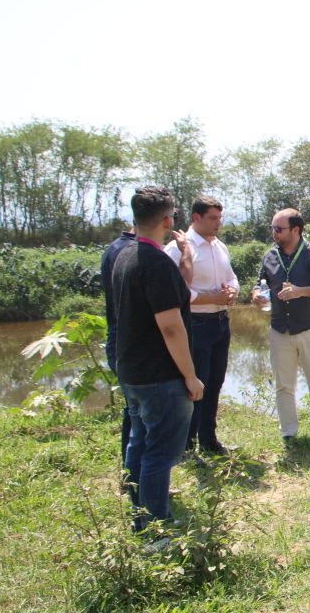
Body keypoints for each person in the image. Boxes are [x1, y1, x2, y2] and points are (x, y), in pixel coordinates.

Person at [112, 186, 204, 534]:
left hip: (132, 372)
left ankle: (139, 516)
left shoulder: (125, 255)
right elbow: (170, 327)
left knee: (138, 443)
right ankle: (156, 530)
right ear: (168, 220)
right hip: (160, 377)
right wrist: (191, 376)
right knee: (160, 454)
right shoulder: (154, 262)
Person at [251, 208, 310, 446]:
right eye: (272, 228)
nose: (274, 233)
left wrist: (300, 291)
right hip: (280, 329)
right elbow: (260, 284)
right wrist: (257, 294)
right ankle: (288, 433)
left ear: (296, 230)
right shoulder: (270, 256)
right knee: (283, 386)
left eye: (278, 229)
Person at [165, 195, 238, 457]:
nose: (218, 223)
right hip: (196, 324)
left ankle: (209, 439)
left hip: (220, 322)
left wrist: (232, 291)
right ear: (196, 218)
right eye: (213, 218)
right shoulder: (178, 250)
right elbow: (176, 292)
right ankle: (187, 443)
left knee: (216, 382)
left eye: (220, 218)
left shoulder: (220, 247)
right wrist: (211, 298)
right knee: (196, 384)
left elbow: (231, 277)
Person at [101, 225, 136, 463]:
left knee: (135, 411)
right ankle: (134, 482)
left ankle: (133, 478)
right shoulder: (130, 252)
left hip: (122, 341)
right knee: (136, 413)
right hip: (129, 344)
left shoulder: (116, 248)